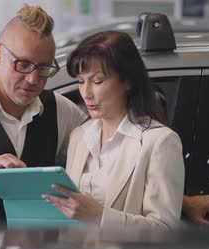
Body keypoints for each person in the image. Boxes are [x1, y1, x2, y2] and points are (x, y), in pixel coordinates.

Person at [0, 4, 209, 226]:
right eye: (23, 64)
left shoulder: (63, 113)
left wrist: (182, 203)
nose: (33, 79)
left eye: (44, 68)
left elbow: (116, 171)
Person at [42, 31, 183, 228]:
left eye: (97, 81)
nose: (86, 93)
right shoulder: (79, 136)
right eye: (81, 81)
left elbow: (165, 229)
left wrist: (100, 216)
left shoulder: (160, 142)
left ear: (128, 81)